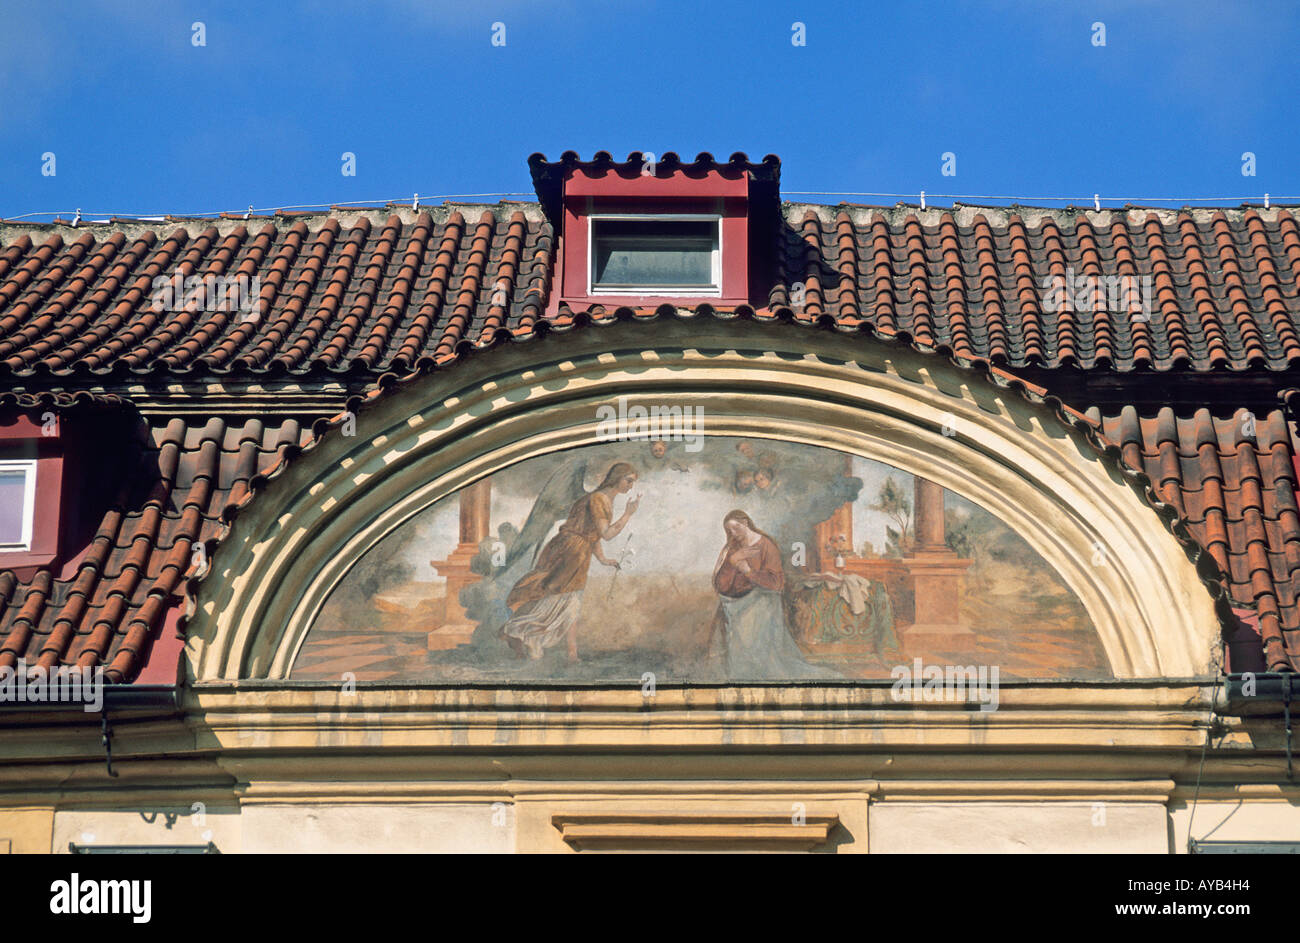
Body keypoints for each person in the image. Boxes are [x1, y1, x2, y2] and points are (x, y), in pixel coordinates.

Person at [502, 462, 639, 662]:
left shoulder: (602, 499)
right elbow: (606, 534)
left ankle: (565, 651)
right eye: (628, 480)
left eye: (632, 482)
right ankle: (523, 633)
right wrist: (627, 515)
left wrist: (603, 559)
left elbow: (592, 535)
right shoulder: (598, 499)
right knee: (557, 597)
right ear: (617, 478)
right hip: (570, 551)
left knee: (568, 601)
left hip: (577, 551)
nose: (630, 486)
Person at [710, 509, 838, 680]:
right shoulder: (733, 548)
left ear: (745, 523)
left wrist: (749, 572)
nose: (733, 533)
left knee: (752, 637)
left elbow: (777, 583)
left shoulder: (766, 545)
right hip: (734, 602)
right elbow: (720, 585)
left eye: (736, 528)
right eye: (729, 530)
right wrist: (732, 563)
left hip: (761, 602)